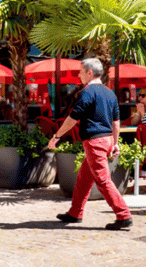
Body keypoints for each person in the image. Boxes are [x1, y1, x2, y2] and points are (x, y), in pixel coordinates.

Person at [48, 58, 132, 230]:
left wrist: (56, 136)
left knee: (102, 180)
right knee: (84, 177)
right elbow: (116, 122)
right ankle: (75, 213)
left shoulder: (87, 92)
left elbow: (72, 119)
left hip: (95, 141)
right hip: (107, 139)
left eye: (80, 71)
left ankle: (124, 215)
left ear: (89, 73)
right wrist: (115, 144)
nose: (78, 75)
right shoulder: (110, 93)